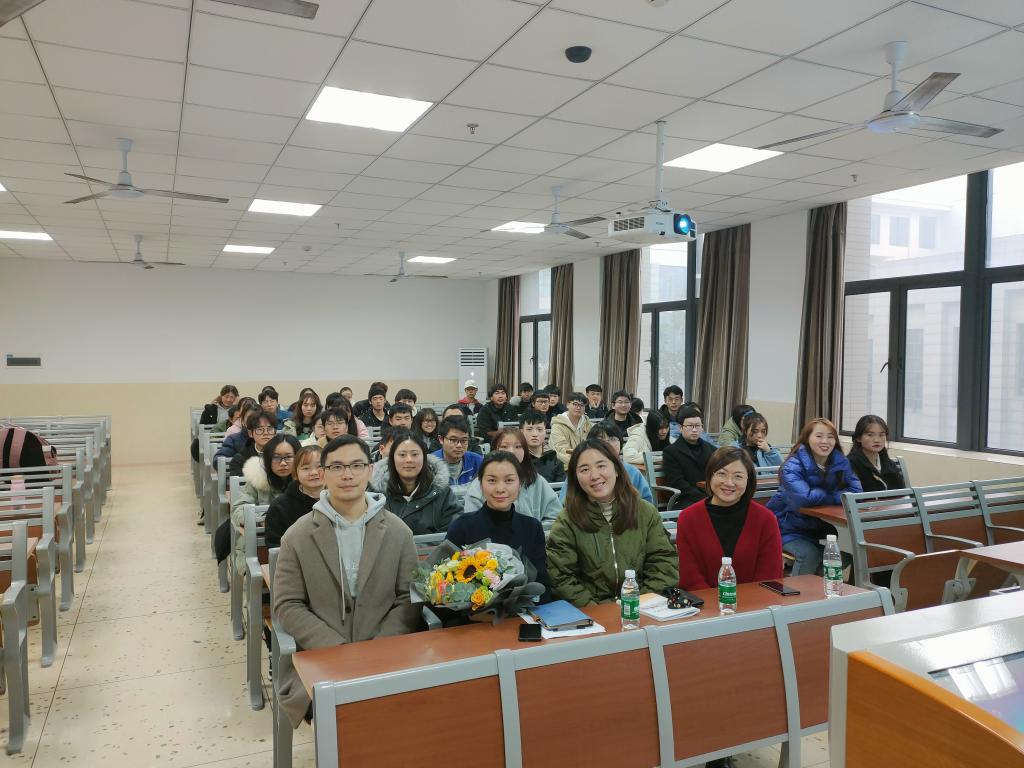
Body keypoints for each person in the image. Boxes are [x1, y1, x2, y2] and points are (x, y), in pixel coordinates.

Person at [273, 434, 420, 728]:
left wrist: (378, 647)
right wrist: (336, 648)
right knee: (348, 717)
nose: (347, 475)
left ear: (370, 470)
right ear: (323, 474)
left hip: (387, 652)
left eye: (356, 465)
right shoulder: (298, 536)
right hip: (322, 657)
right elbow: (288, 605)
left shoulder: (398, 532)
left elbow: (409, 598)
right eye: (337, 467)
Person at [546, 439, 678, 607]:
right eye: (584, 469)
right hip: (592, 613)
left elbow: (663, 564)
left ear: (616, 469)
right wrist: (598, 612)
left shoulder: (645, 512)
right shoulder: (567, 521)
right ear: (575, 478)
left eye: (601, 466)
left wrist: (637, 604)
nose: (594, 476)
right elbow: (561, 577)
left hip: (643, 608)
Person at [447, 451, 552, 602]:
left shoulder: (532, 527)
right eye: (492, 480)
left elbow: (542, 584)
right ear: (480, 484)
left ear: (520, 483)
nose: (500, 488)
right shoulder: (461, 527)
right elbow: (447, 584)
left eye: (509, 480)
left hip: (524, 611)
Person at [676, 447, 783, 590]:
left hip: (757, 601)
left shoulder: (766, 519)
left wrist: (747, 603)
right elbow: (690, 576)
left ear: (748, 480)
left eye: (738, 476)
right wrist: (714, 602)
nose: (729, 483)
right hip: (703, 602)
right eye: (722, 474)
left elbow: (770, 577)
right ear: (710, 475)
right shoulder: (688, 518)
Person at [767, 418, 863, 575]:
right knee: (809, 554)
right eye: (819, 436)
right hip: (785, 527)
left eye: (830, 437)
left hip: (818, 527)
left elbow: (856, 492)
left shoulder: (840, 461)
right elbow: (805, 498)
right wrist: (834, 495)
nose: (825, 441)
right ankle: (798, 590)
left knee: (844, 557)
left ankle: (815, 585)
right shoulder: (792, 465)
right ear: (807, 438)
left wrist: (824, 494)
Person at [230, 433, 300, 576]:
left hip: (299, 544)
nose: (283, 463)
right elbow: (238, 510)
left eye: (288, 457)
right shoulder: (258, 479)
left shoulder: (306, 481)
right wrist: (263, 519)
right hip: (261, 547)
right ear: (268, 459)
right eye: (276, 457)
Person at [366, 430, 459, 535]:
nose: (409, 460)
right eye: (402, 455)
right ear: (392, 459)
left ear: (424, 458)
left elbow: (454, 531)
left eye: (415, 454)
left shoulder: (442, 492)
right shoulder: (375, 494)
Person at [462, 428, 561, 523]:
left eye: (518, 446)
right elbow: (472, 523)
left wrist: (536, 531)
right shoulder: (480, 483)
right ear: (494, 450)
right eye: (504, 447)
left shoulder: (535, 479)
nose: (511, 451)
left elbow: (554, 517)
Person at [558, 423, 654, 505]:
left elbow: (646, 501)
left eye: (612, 439)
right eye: (600, 440)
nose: (607, 444)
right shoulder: (581, 471)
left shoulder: (632, 471)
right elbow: (565, 502)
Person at [265, 445, 323, 549]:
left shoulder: (340, 500)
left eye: (320, 466)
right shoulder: (279, 507)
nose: (314, 473)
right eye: (306, 468)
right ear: (296, 474)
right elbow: (275, 547)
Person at [662, 406, 716, 507]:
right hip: (685, 498)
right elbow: (676, 482)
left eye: (698, 426)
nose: (694, 430)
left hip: (710, 495)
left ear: (702, 427)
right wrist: (703, 498)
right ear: (680, 428)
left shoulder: (712, 450)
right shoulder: (671, 452)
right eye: (690, 426)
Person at [847, 415, 905, 492]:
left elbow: (903, 492)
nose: (877, 440)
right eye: (870, 435)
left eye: (881, 435)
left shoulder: (889, 464)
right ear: (858, 438)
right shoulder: (849, 464)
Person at [431, 416, 482, 486]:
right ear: (441, 439)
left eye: (464, 440)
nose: (459, 445)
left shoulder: (477, 462)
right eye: (453, 440)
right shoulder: (430, 464)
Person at [519, 409, 565, 483]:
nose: (535, 434)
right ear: (521, 432)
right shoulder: (516, 460)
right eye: (529, 429)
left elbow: (559, 487)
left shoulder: (555, 461)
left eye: (539, 429)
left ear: (545, 432)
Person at [550, 391, 592, 469]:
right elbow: (562, 450)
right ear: (568, 404)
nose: (578, 408)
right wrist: (581, 463)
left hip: (587, 465)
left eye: (581, 405)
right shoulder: (558, 425)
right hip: (564, 467)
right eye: (575, 404)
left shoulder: (588, 424)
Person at [228, 411, 277, 477]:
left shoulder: (283, 455)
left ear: (275, 433)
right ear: (250, 433)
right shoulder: (239, 460)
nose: (265, 433)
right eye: (260, 429)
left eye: (269, 429)